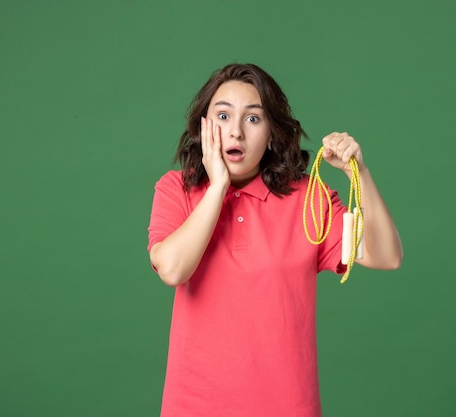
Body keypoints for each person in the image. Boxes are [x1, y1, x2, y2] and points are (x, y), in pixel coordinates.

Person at [147, 63, 402, 417]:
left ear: (271, 134)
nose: (235, 131)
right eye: (222, 116)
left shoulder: (309, 199)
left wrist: (361, 173)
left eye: (253, 119)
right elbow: (172, 269)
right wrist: (218, 186)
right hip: (194, 406)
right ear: (204, 128)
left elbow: (386, 255)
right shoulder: (177, 189)